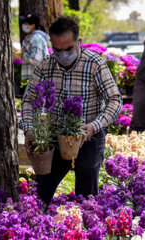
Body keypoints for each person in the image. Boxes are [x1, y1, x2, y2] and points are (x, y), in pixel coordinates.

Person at [20, 16, 122, 204]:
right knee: (41, 189)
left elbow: (115, 101)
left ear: (78, 42)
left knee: (86, 191)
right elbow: (28, 101)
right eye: (57, 50)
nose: (63, 55)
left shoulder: (94, 64)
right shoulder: (45, 65)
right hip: (55, 134)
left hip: (88, 134)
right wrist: (29, 129)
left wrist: (94, 126)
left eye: (68, 49)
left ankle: (84, 227)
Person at [20, 12, 50, 87]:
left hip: (37, 81)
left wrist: (24, 54)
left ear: (33, 25)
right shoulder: (32, 37)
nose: (24, 26)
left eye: (26, 24)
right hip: (34, 79)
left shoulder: (35, 38)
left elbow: (35, 59)